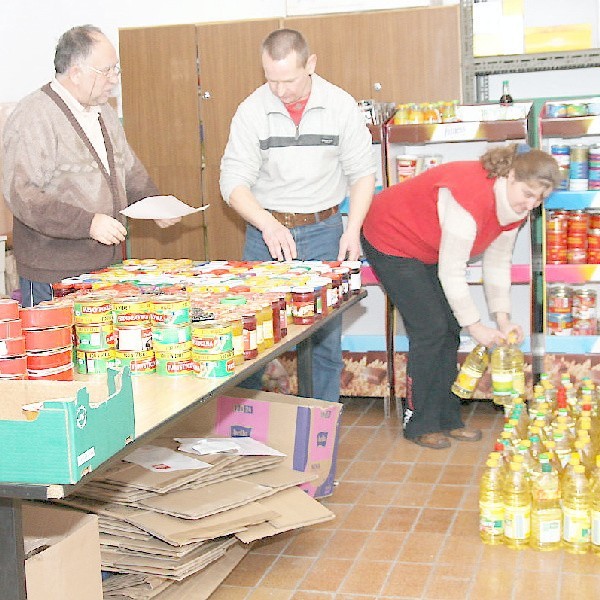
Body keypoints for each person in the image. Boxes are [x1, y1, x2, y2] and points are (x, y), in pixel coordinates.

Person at [361, 145, 560, 449]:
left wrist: (502, 318)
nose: (530, 205)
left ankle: (447, 417)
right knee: (430, 329)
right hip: (390, 235)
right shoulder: (469, 198)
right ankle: (419, 423)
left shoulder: (513, 208)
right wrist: (476, 325)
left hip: (427, 246)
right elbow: (452, 271)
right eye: (527, 194)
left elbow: (497, 263)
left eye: (540, 199)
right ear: (509, 176)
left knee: (450, 328)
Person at [220, 28, 377, 402]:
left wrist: (352, 230)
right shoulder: (252, 110)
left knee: (323, 341)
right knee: (254, 341)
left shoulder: (340, 106)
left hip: (323, 231)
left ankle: (318, 430)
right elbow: (233, 182)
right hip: (266, 235)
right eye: (271, 80)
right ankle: (249, 430)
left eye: (288, 80)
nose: (280, 90)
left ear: (311, 64)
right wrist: (267, 223)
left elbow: (362, 174)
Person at [2, 25, 178, 307]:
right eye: (106, 71)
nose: (114, 80)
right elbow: (24, 196)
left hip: (105, 266)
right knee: (59, 350)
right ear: (76, 72)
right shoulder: (34, 116)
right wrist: (88, 223)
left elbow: (129, 171)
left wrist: (153, 202)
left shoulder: (104, 112)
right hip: (54, 273)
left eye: (116, 70)